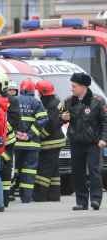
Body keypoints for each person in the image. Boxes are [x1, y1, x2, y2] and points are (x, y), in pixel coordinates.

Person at [62, 72, 107, 211]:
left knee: (94, 171)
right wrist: (63, 118)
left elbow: (105, 121)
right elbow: (59, 118)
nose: (72, 88)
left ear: (83, 87)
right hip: (76, 142)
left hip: (93, 142)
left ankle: (95, 199)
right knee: (77, 172)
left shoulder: (97, 101)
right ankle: (81, 202)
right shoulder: (69, 101)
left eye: (74, 86)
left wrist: (103, 139)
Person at [0, 72, 20, 207]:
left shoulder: (11, 101)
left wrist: (0, 127)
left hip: (7, 141)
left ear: (2, 86)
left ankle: (5, 198)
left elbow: (14, 120)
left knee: (5, 168)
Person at [15, 80, 48, 203]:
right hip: (32, 144)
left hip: (16, 143)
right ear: (32, 90)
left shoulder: (14, 100)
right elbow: (43, 119)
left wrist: (16, 133)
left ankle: (10, 194)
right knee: (29, 170)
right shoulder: (36, 102)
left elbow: (8, 120)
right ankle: (26, 197)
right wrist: (29, 135)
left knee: (14, 168)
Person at [34, 80, 66, 202]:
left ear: (42, 92)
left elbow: (51, 124)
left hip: (50, 142)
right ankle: (54, 195)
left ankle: (40, 195)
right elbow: (62, 119)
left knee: (44, 169)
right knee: (54, 170)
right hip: (57, 140)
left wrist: (40, 136)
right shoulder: (58, 102)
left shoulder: (48, 104)